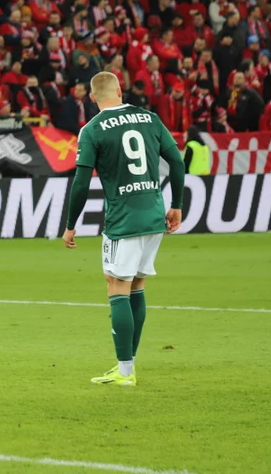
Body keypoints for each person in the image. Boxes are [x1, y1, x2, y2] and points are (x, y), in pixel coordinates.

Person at [63, 72, 185, 386]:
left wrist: (70, 225)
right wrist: (177, 205)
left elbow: (80, 182)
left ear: (92, 98)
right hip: (155, 214)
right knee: (137, 285)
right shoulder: (149, 117)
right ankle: (128, 366)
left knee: (116, 285)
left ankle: (125, 370)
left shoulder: (91, 129)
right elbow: (177, 161)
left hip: (123, 219)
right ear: (120, 90)